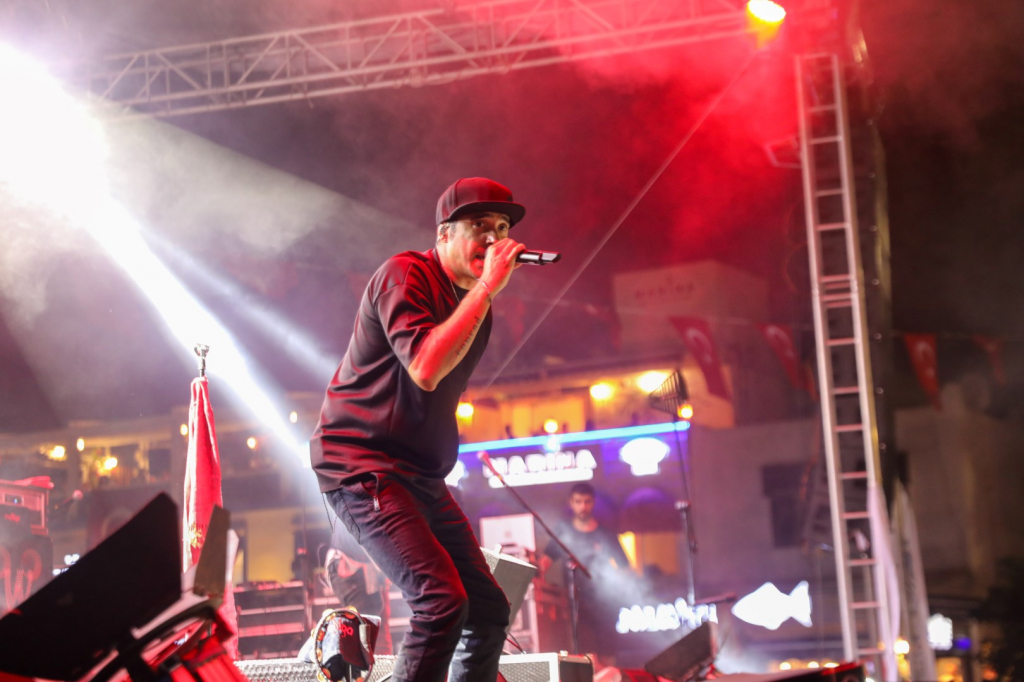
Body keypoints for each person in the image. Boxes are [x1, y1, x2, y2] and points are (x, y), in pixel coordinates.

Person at [310, 178, 527, 682]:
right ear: (444, 234)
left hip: (420, 476)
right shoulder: (404, 275)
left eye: (501, 228)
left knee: (488, 609)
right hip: (363, 466)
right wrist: (487, 288)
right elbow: (426, 368)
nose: (494, 238)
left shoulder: (477, 307)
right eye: (479, 226)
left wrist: (481, 295)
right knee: (440, 601)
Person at [540, 483, 631, 664]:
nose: (583, 506)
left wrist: (619, 592)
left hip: (605, 605)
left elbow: (625, 568)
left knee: (608, 657)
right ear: (571, 503)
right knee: (586, 658)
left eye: (587, 501)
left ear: (593, 502)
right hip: (577, 607)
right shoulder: (563, 533)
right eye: (578, 502)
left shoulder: (605, 534)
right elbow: (544, 563)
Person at [324, 517, 393, 655]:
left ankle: (369, 663)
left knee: (374, 629)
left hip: (354, 562)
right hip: (353, 563)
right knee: (370, 632)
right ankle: (368, 665)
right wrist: (386, 567)